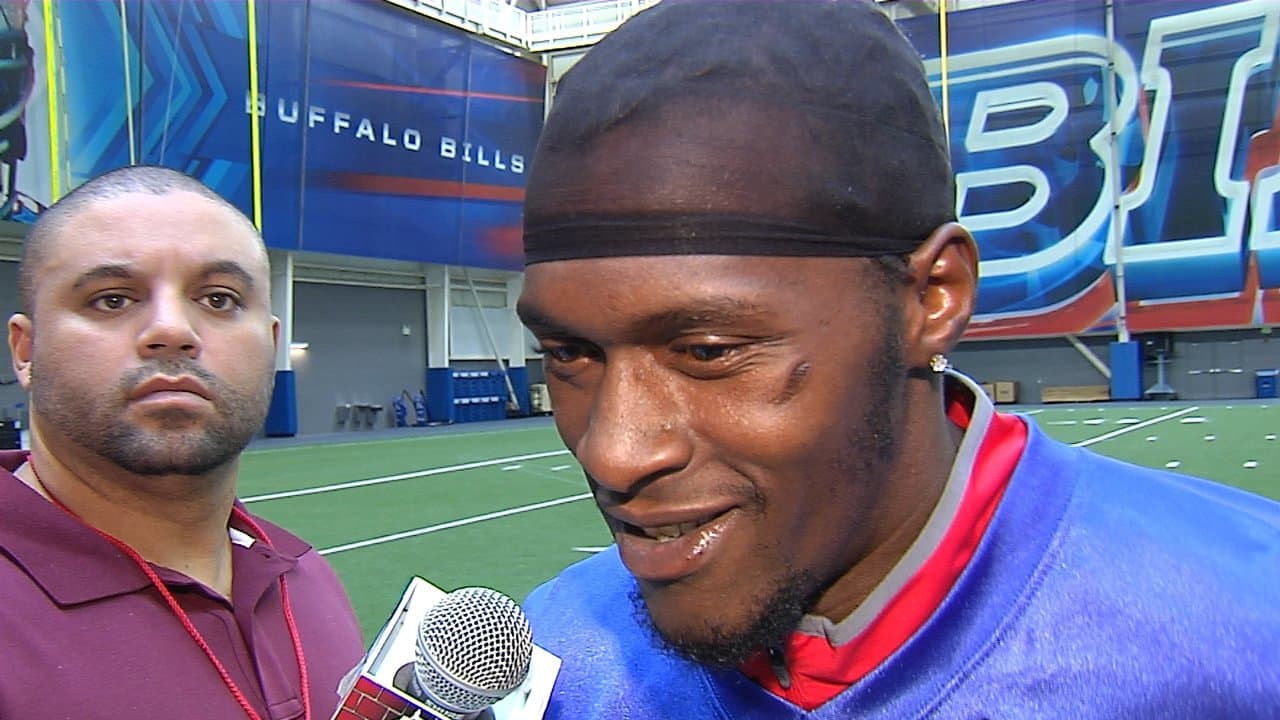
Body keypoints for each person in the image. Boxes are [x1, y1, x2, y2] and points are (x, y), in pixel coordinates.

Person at [514, 1, 1280, 717]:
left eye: (709, 351)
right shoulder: (548, 666)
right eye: (569, 354)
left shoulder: (1245, 626)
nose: (614, 451)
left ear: (932, 298)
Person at [2, 165, 364, 719]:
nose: (172, 330)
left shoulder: (303, 577)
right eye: (112, 299)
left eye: (218, 300)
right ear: (26, 351)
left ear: (269, 345)